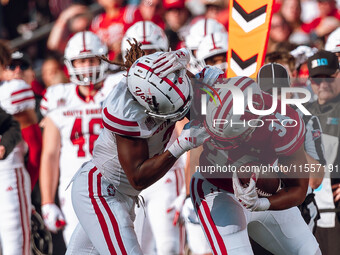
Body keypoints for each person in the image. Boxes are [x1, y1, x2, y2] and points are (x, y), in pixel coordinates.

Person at [66, 46, 208, 254]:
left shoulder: (169, 72)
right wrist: (180, 146)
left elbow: (206, 114)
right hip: (101, 190)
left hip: (123, 195)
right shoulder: (125, 109)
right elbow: (138, 177)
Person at [190, 72, 321, 254]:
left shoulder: (283, 124)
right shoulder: (202, 96)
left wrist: (263, 204)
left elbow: (299, 189)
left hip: (266, 192)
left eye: (232, 138)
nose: (227, 145)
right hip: (216, 190)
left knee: (309, 251)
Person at [39, 31, 120, 246]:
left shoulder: (117, 89)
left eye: (91, 59)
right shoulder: (58, 97)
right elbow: (49, 155)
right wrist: (47, 201)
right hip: (73, 185)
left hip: (115, 182)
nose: (87, 66)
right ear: (70, 64)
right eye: (81, 61)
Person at [121, 21, 187, 255]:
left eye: (151, 53)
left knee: (169, 247)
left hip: (166, 174)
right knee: (137, 247)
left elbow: (185, 129)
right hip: (131, 177)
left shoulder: (174, 80)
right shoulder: (115, 85)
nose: (146, 59)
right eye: (141, 52)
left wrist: (187, 187)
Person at [258, 62, 326, 232]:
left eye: (279, 91)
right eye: (268, 92)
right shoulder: (247, 121)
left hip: (298, 206)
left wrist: (289, 140)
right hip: (259, 208)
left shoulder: (307, 119)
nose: (274, 97)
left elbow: (316, 179)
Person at [306, 50, 340, 255]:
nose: (323, 84)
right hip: (310, 211)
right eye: (317, 79)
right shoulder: (303, 113)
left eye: (329, 77)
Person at [0, 40, 32, 255]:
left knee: (15, 248)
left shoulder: (12, 90)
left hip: (7, 173)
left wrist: (4, 145)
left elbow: (14, 128)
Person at [0, 46, 42, 191]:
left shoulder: (47, 105)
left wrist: (26, 191)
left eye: (23, 66)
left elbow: (37, 151)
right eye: (11, 66)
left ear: (33, 74)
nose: (18, 70)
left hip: (34, 185)